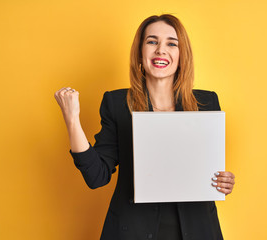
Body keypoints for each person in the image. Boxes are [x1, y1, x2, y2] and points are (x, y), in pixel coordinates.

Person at [55, 14, 235, 240]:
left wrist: (223, 181)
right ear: (140, 52)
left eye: (171, 43)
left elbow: (207, 171)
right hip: (132, 231)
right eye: (152, 41)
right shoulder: (117, 104)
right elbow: (96, 176)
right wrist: (72, 120)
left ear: (182, 55)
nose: (161, 50)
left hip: (197, 229)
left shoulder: (207, 103)